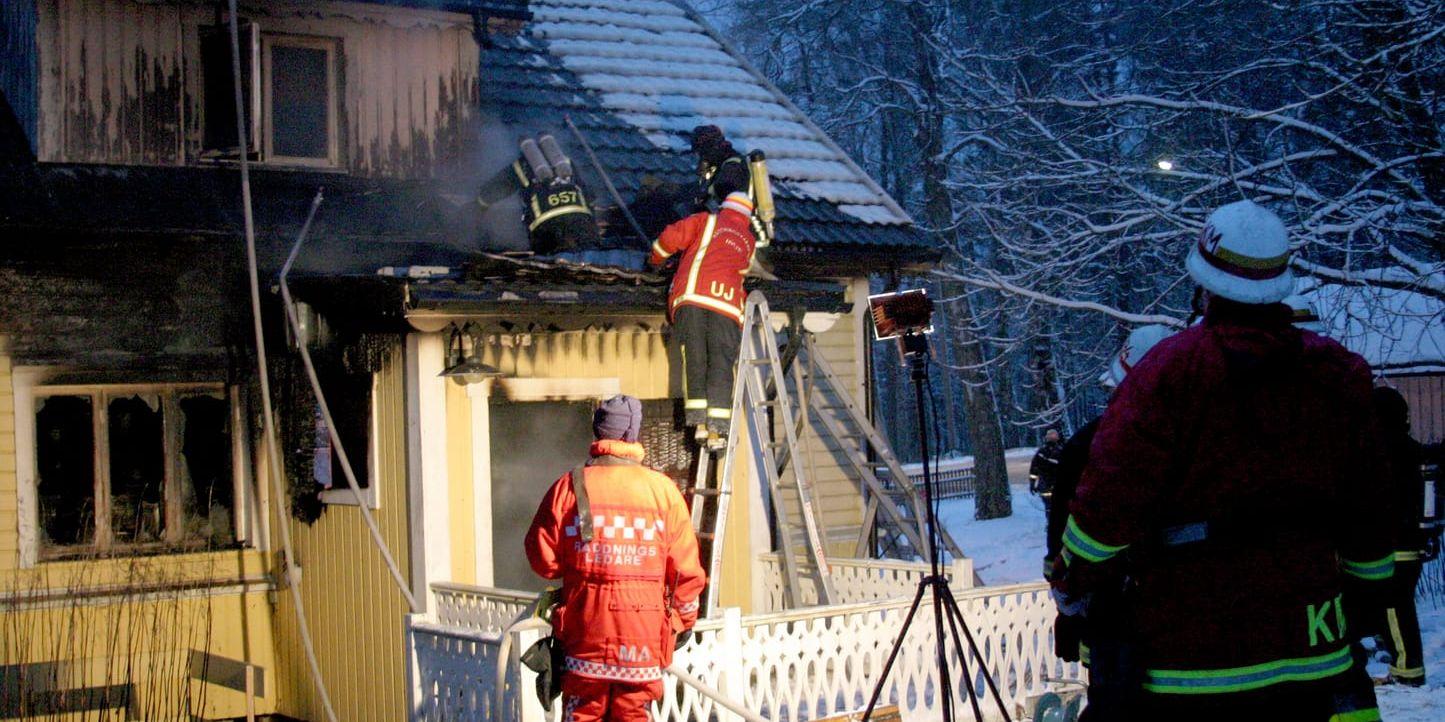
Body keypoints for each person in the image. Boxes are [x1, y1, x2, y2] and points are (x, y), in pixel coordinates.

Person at [1054, 201, 1392, 719]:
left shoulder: (1170, 370)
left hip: (1191, 655)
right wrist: (1366, 597)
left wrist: (1075, 578)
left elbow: (1110, 500)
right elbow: (1368, 507)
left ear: (1205, 285)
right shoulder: (1337, 374)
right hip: (1314, 648)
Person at [525, 395, 707, 722]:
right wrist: (682, 622)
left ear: (598, 433)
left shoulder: (568, 487)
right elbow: (687, 574)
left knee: (581, 714)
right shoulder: (664, 492)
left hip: (585, 637)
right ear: (633, 435)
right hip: (643, 639)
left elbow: (544, 561)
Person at [1046, 324, 1173, 721]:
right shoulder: (1208, 441)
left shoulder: (1091, 446)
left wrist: (1067, 610)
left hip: (1116, 626)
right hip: (1184, 629)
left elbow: (1063, 544)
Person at [647, 191, 756, 447]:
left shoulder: (706, 221)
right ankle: (716, 430)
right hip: (728, 305)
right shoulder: (749, 241)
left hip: (694, 297)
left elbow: (669, 239)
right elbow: (742, 270)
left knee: (695, 357)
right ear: (748, 217)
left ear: (724, 207)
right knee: (721, 362)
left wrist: (655, 259)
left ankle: (698, 422)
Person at [1371, 386, 1428, 687]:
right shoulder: (1413, 449)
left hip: (1394, 544)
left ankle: (1408, 672)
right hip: (1411, 542)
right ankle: (1401, 666)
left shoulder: (1383, 452)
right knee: (1396, 607)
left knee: (1394, 607)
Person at [477, 134, 599, 254]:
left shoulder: (523, 165)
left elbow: (497, 187)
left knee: (549, 261)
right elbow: (589, 196)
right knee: (590, 253)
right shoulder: (566, 163)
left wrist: (479, 204)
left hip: (545, 227)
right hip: (581, 221)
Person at [1029, 428, 1065, 514]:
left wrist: (1032, 484)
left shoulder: (1041, 452)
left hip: (1045, 485)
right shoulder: (1063, 450)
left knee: (1049, 507)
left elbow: (1034, 470)